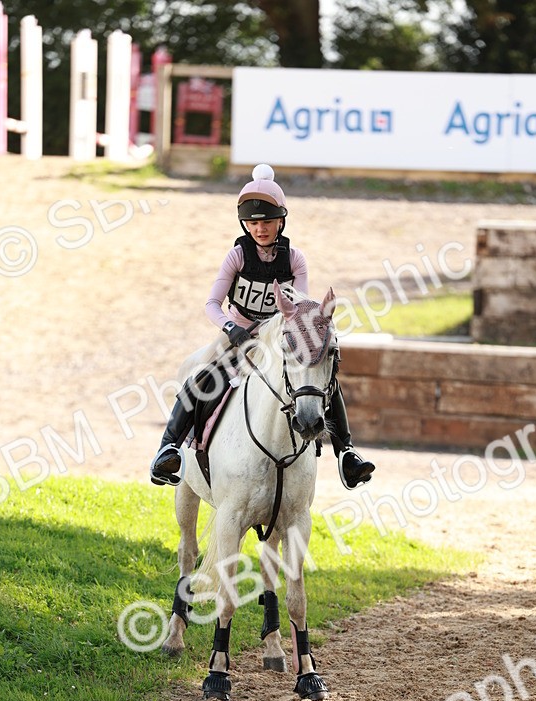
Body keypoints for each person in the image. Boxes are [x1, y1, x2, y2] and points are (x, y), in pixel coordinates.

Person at [150, 164, 375, 490]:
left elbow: (299, 308)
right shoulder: (236, 257)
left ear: (281, 222)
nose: (260, 229)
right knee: (202, 379)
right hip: (238, 337)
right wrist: (231, 328)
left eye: (267, 222)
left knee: (324, 380)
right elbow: (211, 304)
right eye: (252, 223)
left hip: (278, 340)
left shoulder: (295, 259)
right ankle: (167, 450)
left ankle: (347, 455)